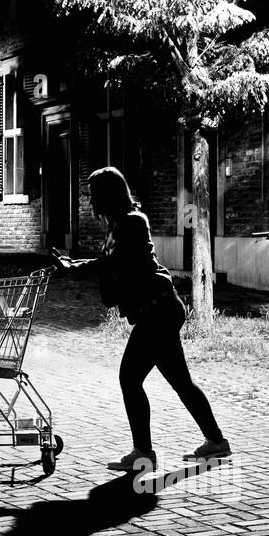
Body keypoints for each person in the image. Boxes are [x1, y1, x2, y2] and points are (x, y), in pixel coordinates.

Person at [52, 167, 228, 473]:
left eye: (94, 194)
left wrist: (78, 267)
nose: (91, 200)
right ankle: (215, 442)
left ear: (109, 194)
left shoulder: (133, 222)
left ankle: (144, 454)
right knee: (180, 381)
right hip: (155, 311)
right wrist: (76, 266)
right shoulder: (118, 223)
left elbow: (117, 262)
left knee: (130, 378)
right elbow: (110, 264)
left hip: (157, 311)